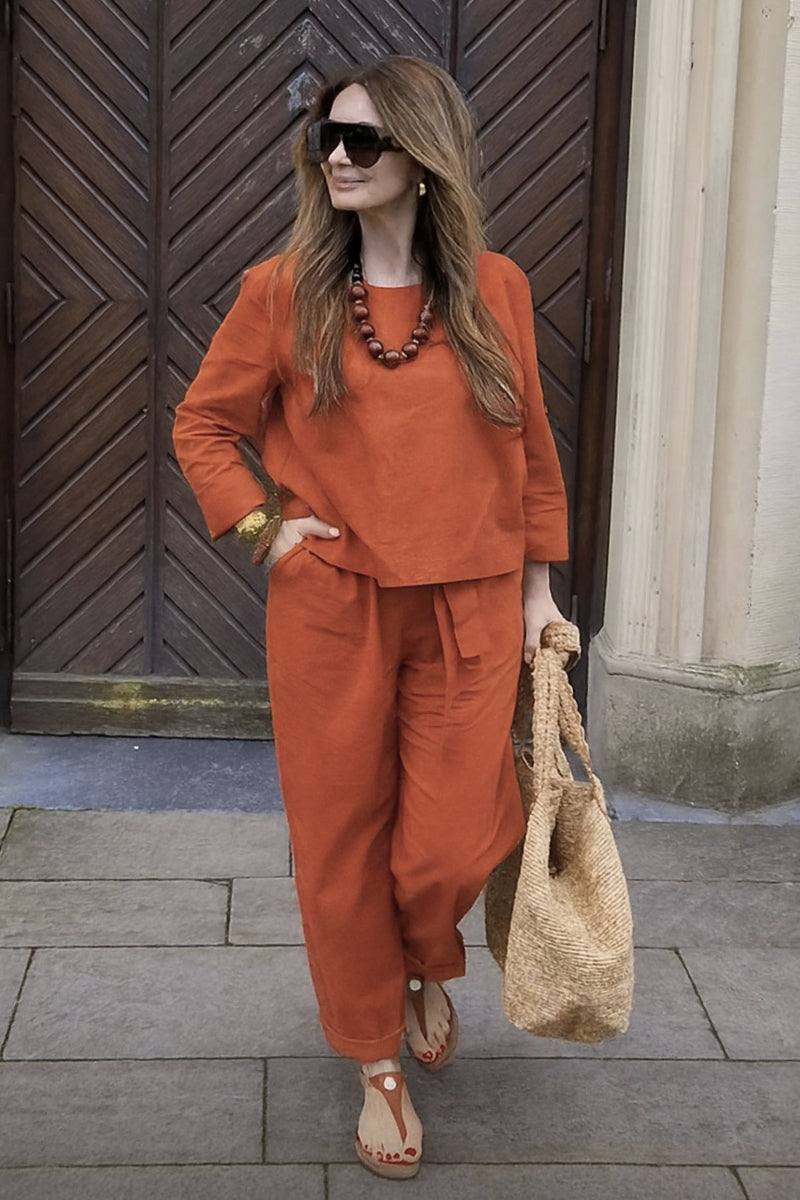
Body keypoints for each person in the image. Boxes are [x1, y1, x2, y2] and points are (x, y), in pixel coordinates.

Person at [172, 54, 570, 1181]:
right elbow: (202, 426)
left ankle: (422, 954)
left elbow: (531, 449)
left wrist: (543, 594)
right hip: (333, 610)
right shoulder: (280, 290)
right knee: (342, 845)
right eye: (325, 140)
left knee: (449, 837)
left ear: (423, 160)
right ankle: (374, 1061)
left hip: (473, 604)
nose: (335, 160)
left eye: (361, 142)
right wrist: (265, 528)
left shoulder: (495, 289)